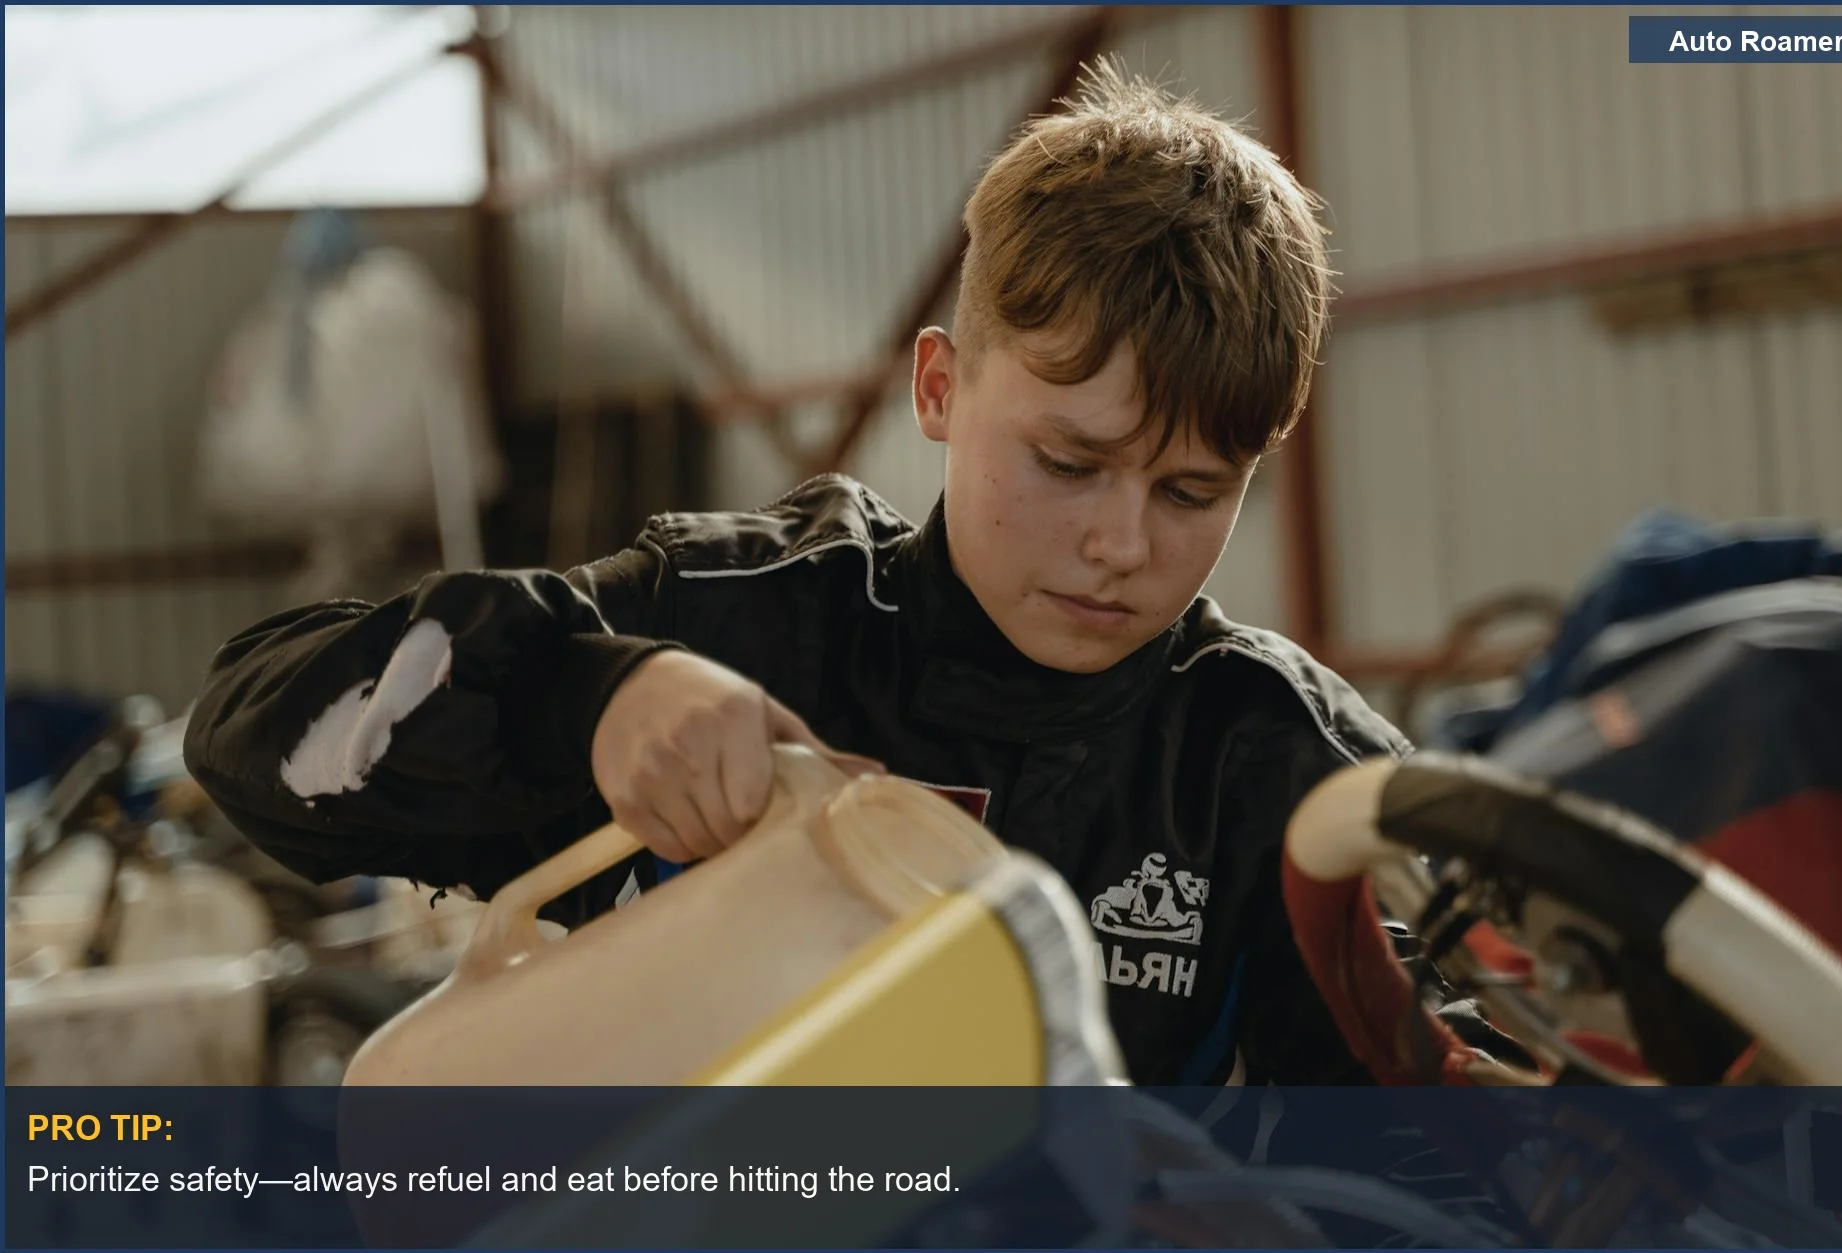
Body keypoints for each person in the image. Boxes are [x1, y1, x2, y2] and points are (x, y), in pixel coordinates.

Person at [184, 63, 1493, 1085]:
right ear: (940, 387)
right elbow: (255, 737)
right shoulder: (746, 629)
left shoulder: (1269, 765)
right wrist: (585, 703)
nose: (1121, 543)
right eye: (1068, 462)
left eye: (1193, 492)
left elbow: (1428, 1139)